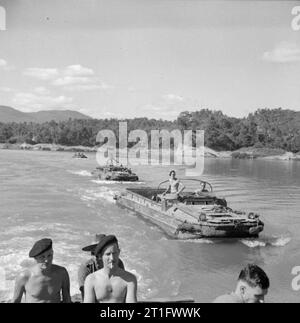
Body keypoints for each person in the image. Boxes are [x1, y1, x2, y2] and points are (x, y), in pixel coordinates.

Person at [12, 238, 71, 303]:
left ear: (53, 253)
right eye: (42, 257)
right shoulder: (24, 277)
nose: (47, 260)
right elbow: (16, 301)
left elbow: (67, 298)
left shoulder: (62, 273)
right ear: (35, 258)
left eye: (49, 255)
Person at [83, 235, 137, 303]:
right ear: (100, 256)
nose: (112, 258)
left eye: (114, 253)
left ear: (119, 252)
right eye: (108, 254)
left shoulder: (130, 279)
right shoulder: (91, 279)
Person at [78, 234, 125, 300]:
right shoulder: (86, 267)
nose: (96, 256)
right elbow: (85, 296)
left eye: (99, 253)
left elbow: (122, 290)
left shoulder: (118, 263)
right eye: (93, 253)